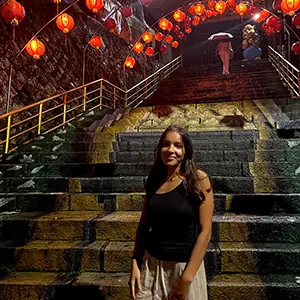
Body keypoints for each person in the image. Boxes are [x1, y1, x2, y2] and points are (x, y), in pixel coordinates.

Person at [130, 125, 214, 300]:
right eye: (166, 144)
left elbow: (205, 231)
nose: (171, 150)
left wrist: (186, 278)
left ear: (186, 151)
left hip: (183, 268)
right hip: (151, 266)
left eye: (178, 145)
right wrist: (135, 262)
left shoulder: (198, 180)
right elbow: (144, 225)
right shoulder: (154, 180)